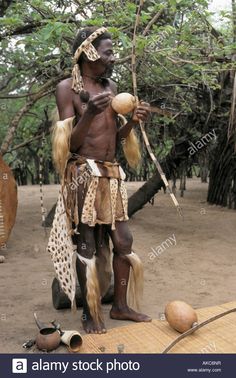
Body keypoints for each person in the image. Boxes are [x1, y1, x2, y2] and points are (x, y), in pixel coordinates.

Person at [47, 26, 151, 334]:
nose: (113, 57)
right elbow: (72, 146)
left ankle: (119, 306)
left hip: (111, 172)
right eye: (107, 51)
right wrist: (89, 112)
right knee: (87, 244)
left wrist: (132, 122)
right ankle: (91, 313)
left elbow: (114, 140)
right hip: (83, 174)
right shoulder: (67, 88)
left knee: (124, 241)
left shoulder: (113, 86)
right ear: (88, 52)